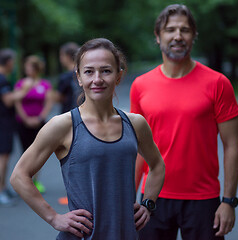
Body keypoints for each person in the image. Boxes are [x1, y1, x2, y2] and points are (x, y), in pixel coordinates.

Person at [10, 38, 165, 239]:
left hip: (126, 234)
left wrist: (148, 204)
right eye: (89, 71)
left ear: (119, 76)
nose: (97, 79)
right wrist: (54, 217)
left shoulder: (135, 123)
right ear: (79, 77)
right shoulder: (63, 125)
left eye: (106, 71)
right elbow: (19, 176)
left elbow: (157, 166)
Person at [130, 4, 238, 240]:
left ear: (194, 36)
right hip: (153, 197)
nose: (177, 35)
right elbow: (138, 147)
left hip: (203, 200)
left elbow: (231, 145)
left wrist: (229, 201)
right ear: (158, 37)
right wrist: (128, 198)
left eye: (185, 30)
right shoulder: (140, 86)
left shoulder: (218, 83)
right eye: (170, 30)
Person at [14, 55, 53, 193]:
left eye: (29, 67)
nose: (27, 69)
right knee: (25, 151)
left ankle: (35, 181)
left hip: (39, 122)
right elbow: (17, 102)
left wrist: (40, 117)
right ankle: (23, 180)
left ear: (36, 69)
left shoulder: (44, 84)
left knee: (37, 152)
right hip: (23, 122)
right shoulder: (21, 84)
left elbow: (48, 102)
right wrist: (25, 118)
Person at [0, 48, 33, 206]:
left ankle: (4, 188)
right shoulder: (2, 80)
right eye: (13, 62)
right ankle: (1, 190)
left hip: (5, 123)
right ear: (7, 62)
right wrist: (24, 90)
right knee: (3, 157)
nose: (14, 65)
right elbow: (8, 101)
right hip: (3, 123)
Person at [56, 42, 81, 113]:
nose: (60, 59)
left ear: (68, 56)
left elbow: (58, 98)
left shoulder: (65, 77)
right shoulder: (84, 73)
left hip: (69, 114)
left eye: (62, 55)